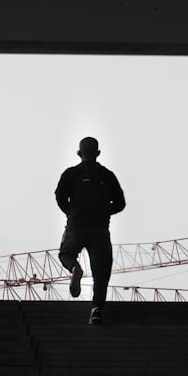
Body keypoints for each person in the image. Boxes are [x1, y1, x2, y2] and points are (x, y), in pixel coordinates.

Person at [54, 137, 126, 325]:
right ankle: (96, 310)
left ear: (80, 153)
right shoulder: (107, 175)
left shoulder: (70, 174)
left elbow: (59, 196)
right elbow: (121, 203)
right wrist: (105, 212)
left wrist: (71, 212)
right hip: (99, 229)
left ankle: (75, 268)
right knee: (101, 272)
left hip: (76, 224)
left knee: (66, 253)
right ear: (98, 153)